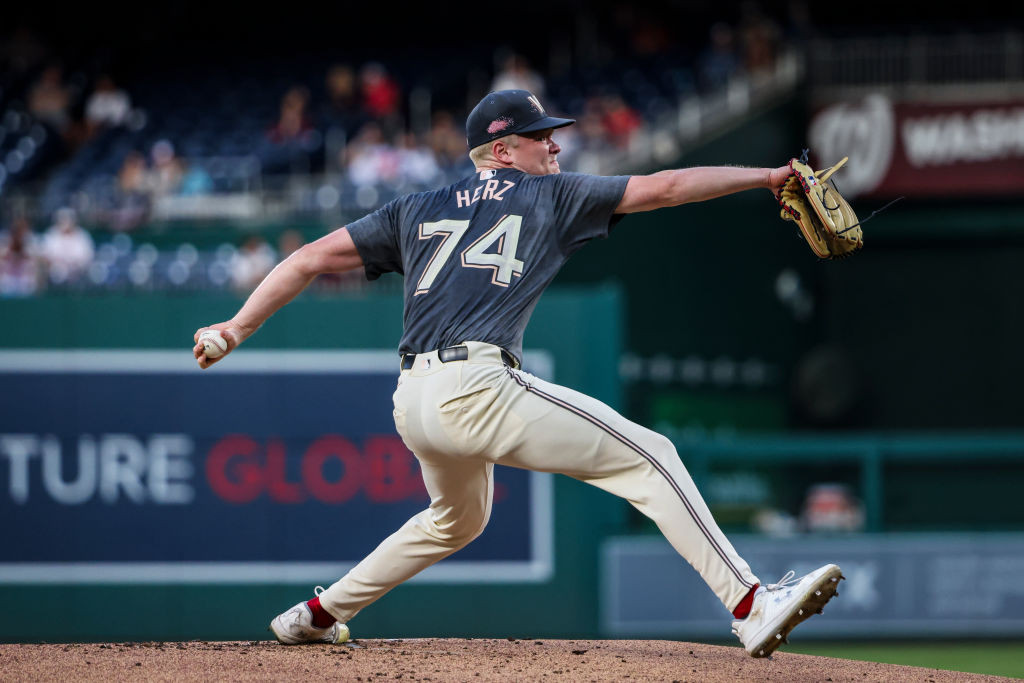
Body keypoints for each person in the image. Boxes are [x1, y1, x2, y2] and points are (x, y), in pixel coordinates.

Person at [193, 89, 842, 658]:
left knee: (457, 518)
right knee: (651, 455)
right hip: (475, 384)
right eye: (541, 138)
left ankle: (319, 613)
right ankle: (751, 604)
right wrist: (765, 176)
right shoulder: (550, 195)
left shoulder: (413, 208)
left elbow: (306, 257)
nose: (555, 149)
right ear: (501, 150)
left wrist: (233, 328)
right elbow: (666, 186)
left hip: (413, 398)